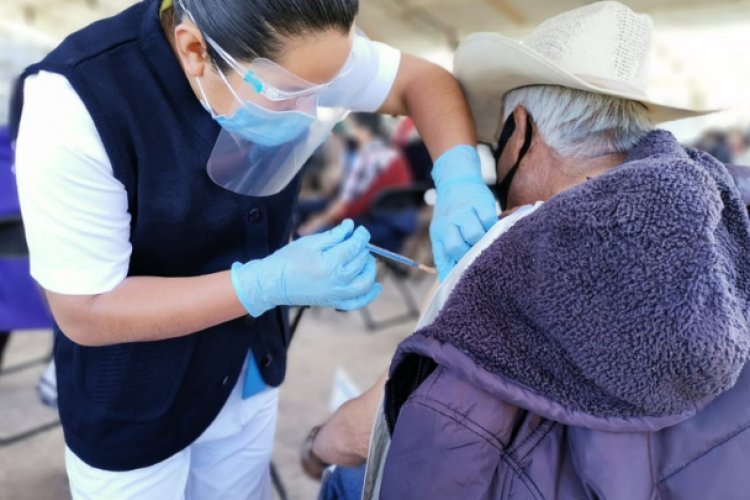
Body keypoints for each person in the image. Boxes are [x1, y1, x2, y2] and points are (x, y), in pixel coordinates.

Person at [10, 0, 498, 497]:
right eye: (290, 95)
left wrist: (458, 176)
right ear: (195, 49)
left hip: (247, 369)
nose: (310, 112)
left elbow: (424, 81)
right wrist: (266, 283)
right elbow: (85, 309)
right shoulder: (74, 104)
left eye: (323, 92)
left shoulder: (301, 44)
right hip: (135, 398)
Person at [303, 3, 750, 499]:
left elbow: (406, 424)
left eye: (497, 141)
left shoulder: (518, 272)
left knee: (341, 483)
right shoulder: (725, 216)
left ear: (520, 131)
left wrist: (314, 448)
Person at [298, 113, 414, 251]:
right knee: (304, 208)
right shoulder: (383, 151)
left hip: (380, 223)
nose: (348, 131)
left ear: (363, 129)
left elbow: (346, 203)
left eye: (351, 126)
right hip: (389, 219)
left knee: (310, 238)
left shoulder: (370, 156)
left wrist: (316, 223)